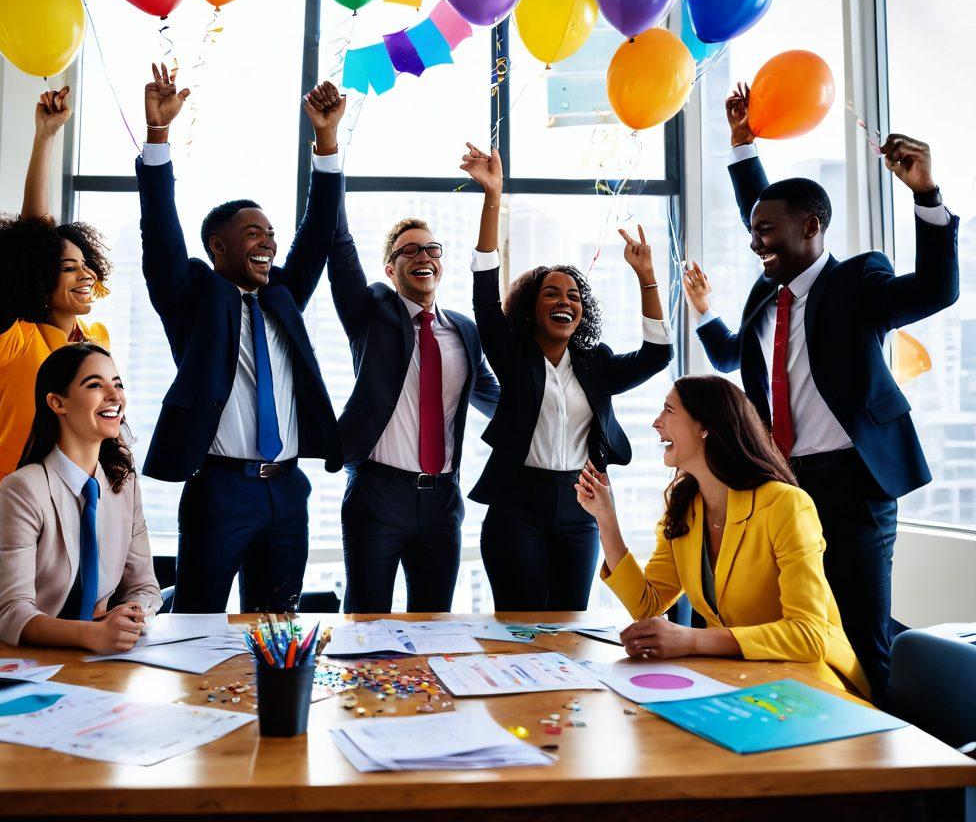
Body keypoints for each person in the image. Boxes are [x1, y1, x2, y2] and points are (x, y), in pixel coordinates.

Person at [681, 83, 959, 702]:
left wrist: (926, 196)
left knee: (860, 632)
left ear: (811, 228)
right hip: (780, 483)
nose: (757, 242)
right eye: (753, 232)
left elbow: (938, 291)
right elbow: (731, 354)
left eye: (769, 233)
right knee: (784, 627)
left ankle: (886, 777)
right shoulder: (764, 292)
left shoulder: (858, 281)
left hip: (853, 486)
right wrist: (741, 147)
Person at [136, 65, 342, 613]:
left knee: (276, 631)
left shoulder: (280, 296)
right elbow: (159, 235)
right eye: (254, 234)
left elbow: (317, 233)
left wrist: (326, 140)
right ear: (218, 247)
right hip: (221, 491)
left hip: (287, 489)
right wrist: (158, 137)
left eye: (271, 235)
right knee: (196, 622)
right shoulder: (193, 299)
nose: (268, 243)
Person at [461, 142, 673, 611]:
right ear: (530, 309)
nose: (564, 301)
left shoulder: (595, 364)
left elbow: (658, 355)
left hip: (580, 507)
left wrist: (646, 276)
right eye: (551, 293)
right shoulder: (512, 355)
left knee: (569, 628)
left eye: (574, 295)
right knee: (521, 633)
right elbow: (482, 291)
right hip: (517, 505)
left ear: (583, 310)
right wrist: (493, 195)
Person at [314, 83, 499, 613]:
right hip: (378, 493)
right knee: (367, 620)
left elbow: (502, 403)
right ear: (390, 268)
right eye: (408, 250)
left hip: (443, 501)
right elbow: (339, 245)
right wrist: (328, 145)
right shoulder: (372, 312)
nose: (424, 257)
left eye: (432, 248)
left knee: (435, 625)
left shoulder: (464, 331)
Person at [578, 375, 869, 697]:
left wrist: (690, 639)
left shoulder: (786, 504)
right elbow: (647, 606)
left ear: (705, 427)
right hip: (739, 676)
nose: (656, 423)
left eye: (669, 411)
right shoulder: (684, 509)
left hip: (812, 680)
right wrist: (605, 518)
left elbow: (808, 635)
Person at [0, 87, 112, 557]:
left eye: (87, 264)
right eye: (69, 268)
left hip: (75, 508)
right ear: (36, 279)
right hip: (4, 513)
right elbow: (30, 244)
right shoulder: (11, 342)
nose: (85, 274)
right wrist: (45, 139)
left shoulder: (96, 339)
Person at [0, 342, 161, 650]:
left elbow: (145, 587)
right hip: (27, 659)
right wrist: (91, 635)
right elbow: (10, 611)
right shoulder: (23, 488)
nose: (115, 397)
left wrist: (129, 613)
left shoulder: (124, 486)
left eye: (118, 385)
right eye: (95, 385)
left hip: (98, 662)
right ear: (58, 403)